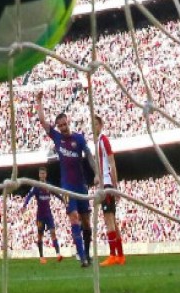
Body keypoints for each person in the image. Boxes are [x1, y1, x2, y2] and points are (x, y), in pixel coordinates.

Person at [35, 91, 96, 267]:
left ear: (68, 122)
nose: (63, 128)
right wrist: (39, 103)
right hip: (66, 186)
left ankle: (87, 251)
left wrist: (97, 173)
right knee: (74, 217)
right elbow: (43, 123)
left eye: (64, 124)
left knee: (85, 220)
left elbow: (90, 156)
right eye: (60, 125)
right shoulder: (57, 137)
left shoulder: (79, 138)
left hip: (81, 185)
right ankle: (82, 256)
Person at [94, 116, 125, 266]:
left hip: (107, 185)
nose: (93, 127)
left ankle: (113, 255)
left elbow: (112, 162)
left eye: (95, 124)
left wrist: (114, 185)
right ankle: (120, 255)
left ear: (100, 125)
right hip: (105, 183)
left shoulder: (103, 140)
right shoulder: (99, 142)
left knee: (109, 221)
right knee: (113, 220)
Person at [22, 167, 64, 264]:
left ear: (46, 174)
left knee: (53, 232)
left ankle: (58, 254)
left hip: (48, 214)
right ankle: (41, 257)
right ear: (39, 175)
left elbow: (56, 193)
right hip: (40, 215)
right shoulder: (36, 186)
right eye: (41, 173)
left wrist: (63, 201)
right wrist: (25, 205)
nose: (42, 175)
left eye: (43, 173)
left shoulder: (49, 186)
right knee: (40, 235)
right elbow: (29, 196)